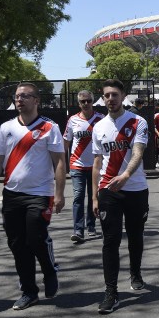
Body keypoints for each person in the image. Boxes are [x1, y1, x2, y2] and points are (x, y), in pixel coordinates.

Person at [0, 83, 66, 310]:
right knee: (17, 244)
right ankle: (29, 291)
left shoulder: (50, 127)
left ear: (36, 100)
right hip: (12, 194)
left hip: (40, 193)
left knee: (36, 237)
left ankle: (49, 271)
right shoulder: (6, 128)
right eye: (17, 96)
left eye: (25, 96)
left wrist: (60, 193)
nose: (20, 100)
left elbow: (59, 162)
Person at [91, 80, 149, 314]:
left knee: (135, 236)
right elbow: (97, 162)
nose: (111, 99)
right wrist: (95, 196)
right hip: (108, 190)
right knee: (110, 240)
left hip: (135, 188)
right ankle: (111, 292)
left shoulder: (138, 122)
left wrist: (125, 175)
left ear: (123, 96)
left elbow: (138, 152)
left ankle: (135, 272)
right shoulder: (98, 127)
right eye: (106, 95)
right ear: (103, 98)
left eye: (115, 94)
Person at [64, 90, 104, 242]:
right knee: (78, 196)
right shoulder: (72, 120)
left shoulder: (101, 119)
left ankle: (91, 226)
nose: (86, 104)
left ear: (92, 101)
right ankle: (78, 229)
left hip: (95, 165)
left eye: (88, 101)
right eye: (82, 101)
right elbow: (66, 142)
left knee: (93, 197)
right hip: (77, 165)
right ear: (79, 103)